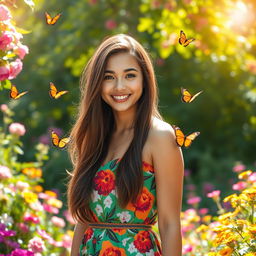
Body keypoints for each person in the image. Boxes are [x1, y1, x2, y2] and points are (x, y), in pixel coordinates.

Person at [67, 33, 184, 256]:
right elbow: (83, 221)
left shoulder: (159, 137)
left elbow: (170, 224)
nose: (119, 86)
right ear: (98, 84)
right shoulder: (94, 136)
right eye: (109, 77)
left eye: (130, 75)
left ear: (144, 80)